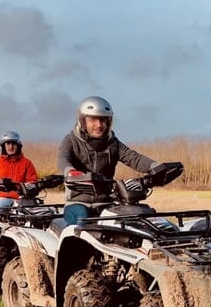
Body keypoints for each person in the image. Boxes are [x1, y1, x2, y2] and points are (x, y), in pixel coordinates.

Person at [57, 96, 161, 224]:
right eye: (93, 120)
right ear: (82, 121)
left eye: (103, 120)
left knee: (125, 223)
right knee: (82, 219)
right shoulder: (71, 140)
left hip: (106, 202)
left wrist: (155, 166)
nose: (99, 125)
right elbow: (63, 158)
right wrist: (70, 172)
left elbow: (134, 158)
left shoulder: (113, 143)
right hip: (77, 201)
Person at [0, 131, 38, 201]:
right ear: (3, 146)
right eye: (8, 144)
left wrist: (21, 189)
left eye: (13, 144)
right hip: (1, 198)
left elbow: (32, 181)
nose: (11, 147)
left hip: (21, 199)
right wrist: (3, 186)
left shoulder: (27, 163)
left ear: (18, 146)